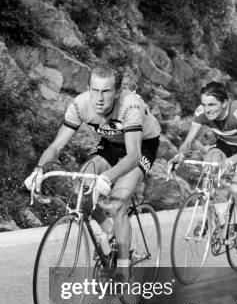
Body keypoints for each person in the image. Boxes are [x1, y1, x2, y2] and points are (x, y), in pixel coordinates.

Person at [24, 64, 161, 280]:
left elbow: (133, 156)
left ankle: (123, 269)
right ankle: (108, 230)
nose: (99, 98)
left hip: (141, 145)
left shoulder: (130, 106)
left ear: (116, 92)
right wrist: (39, 168)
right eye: (94, 90)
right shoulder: (80, 104)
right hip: (112, 143)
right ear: (88, 88)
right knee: (82, 192)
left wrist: (107, 177)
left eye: (106, 91)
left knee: (117, 203)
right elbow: (57, 146)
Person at [174, 81, 237, 252]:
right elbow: (188, 142)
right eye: (204, 104)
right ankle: (209, 218)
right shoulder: (201, 112)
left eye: (212, 104)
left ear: (224, 103)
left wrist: (230, 162)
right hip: (225, 143)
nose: (208, 110)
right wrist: (179, 156)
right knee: (208, 171)